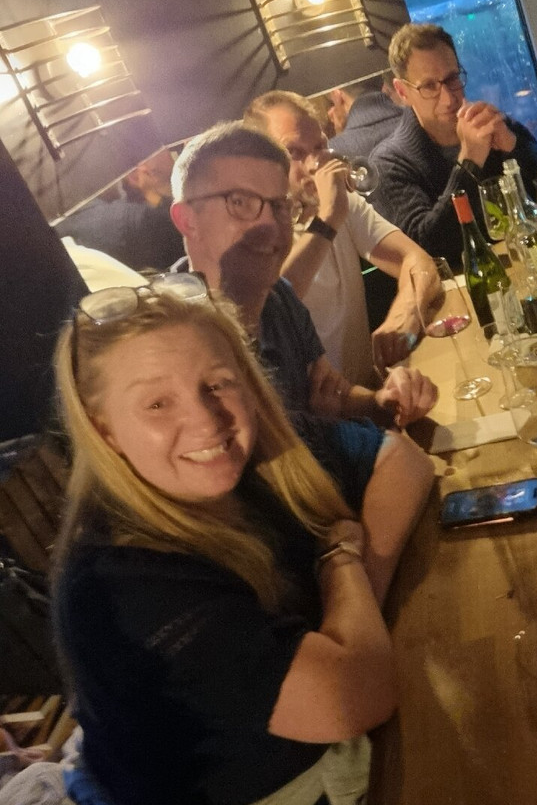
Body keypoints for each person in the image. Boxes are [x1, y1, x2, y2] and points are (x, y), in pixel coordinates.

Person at [53, 280, 417, 803]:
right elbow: (356, 697)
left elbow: (401, 460)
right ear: (104, 429)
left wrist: (352, 625)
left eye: (217, 384)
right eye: (157, 403)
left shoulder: (261, 460)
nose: (206, 421)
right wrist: (339, 559)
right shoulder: (116, 585)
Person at [167, 121, 438, 443]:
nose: (269, 223)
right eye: (239, 202)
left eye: (279, 205)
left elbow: (334, 395)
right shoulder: (176, 338)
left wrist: (386, 401)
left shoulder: (279, 297)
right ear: (187, 220)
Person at [244, 90, 439, 386]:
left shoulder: (342, 204)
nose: (314, 164)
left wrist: (408, 311)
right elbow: (274, 310)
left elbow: (418, 261)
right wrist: (328, 217)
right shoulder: (255, 236)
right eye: (294, 152)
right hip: (319, 412)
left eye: (319, 146)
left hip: (372, 394)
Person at [369, 23, 537, 268]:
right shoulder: (389, 163)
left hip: (535, 268)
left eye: (452, 78)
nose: (448, 98)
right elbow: (427, 251)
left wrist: (515, 147)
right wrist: (469, 162)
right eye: (429, 86)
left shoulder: (491, 124)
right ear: (402, 91)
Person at [54, 149, 185, 272]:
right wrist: (153, 194)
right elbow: (180, 233)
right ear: (137, 175)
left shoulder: (65, 223)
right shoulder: (135, 221)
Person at [328, 77, 404, 160]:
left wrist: (341, 139)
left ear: (337, 95)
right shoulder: (413, 117)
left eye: (332, 102)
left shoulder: (333, 152)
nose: (330, 112)